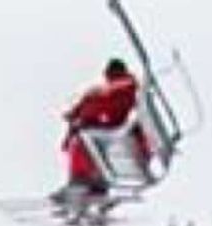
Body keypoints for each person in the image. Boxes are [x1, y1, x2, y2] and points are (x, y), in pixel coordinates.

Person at [58, 55, 153, 212]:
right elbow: (102, 103)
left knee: (82, 141)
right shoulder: (124, 88)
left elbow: (99, 102)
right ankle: (91, 183)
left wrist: (78, 114)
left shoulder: (122, 86)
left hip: (118, 132)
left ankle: (82, 182)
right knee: (86, 139)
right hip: (116, 131)